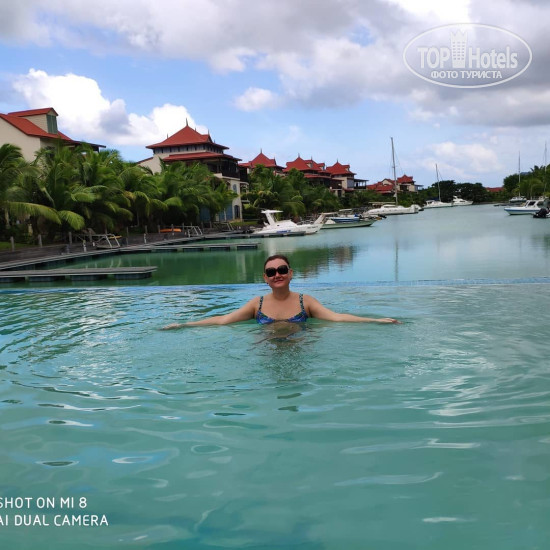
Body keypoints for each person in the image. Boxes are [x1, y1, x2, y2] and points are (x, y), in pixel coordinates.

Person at [162, 254, 400, 328]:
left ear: (291, 273)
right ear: (265, 278)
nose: (277, 274)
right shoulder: (257, 304)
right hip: (265, 350)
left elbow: (336, 317)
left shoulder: (305, 302)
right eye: (271, 272)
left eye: (282, 269)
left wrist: (374, 320)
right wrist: (185, 324)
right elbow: (224, 320)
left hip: (299, 348)